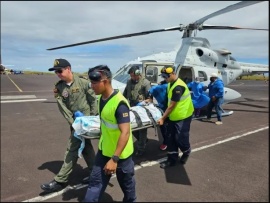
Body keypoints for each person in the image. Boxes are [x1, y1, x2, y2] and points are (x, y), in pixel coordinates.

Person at [40, 59, 98, 193]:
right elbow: (62, 107)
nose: (58, 74)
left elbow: (93, 101)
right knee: (86, 148)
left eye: (60, 71)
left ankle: (60, 180)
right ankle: (96, 174)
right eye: (56, 72)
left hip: (85, 124)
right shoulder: (59, 87)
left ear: (68, 69)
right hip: (74, 123)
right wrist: (73, 122)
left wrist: (91, 120)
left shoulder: (83, 83)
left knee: (72, 149)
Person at [83, 65, 136, 202]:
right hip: (104, 151)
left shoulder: (120, 104)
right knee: (95, 184)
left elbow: (125, 133)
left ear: (105, 82)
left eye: (94, 83)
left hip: (121, 156)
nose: (91, 86)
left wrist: (114, 159)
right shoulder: (101, 98)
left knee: (128, 188)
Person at [157, 66, 194, 169]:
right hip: (173, 116)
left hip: (183, 116)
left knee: (180, 138)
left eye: (166, 76)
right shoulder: (170, 84)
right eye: (163, 76)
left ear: (173, 74)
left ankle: (186, 152)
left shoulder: (178, 87)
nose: (165, 78)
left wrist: (162, 118)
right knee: (170, 138)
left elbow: (172, 105)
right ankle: (172, 159)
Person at [123, 66, 151, 156]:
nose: (132, 78)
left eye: (133, 76)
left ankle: (141, 149)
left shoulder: (145, 83)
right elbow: (124, 94)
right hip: (132, 106)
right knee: (132, 128)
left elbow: (150, 98)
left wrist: (143, 102)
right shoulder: (129, 82)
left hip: (141, 108)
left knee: (142, 128)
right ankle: (143, 140)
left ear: (138, 73)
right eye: (131, 76)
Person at [143, 80, 169, 151]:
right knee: (165, 127)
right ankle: (167, 142)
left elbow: (150, 97)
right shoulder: (165, 87)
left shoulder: (160, 88)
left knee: (165, 128)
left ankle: (167, 143)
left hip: (167, 109)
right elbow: (150, 98)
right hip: (164, 109)